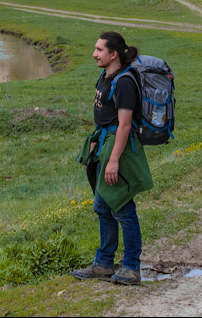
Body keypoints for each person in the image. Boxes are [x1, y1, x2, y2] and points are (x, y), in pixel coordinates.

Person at [72, 31, 153, 285]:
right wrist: (94, 148)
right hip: (104, 144)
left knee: (122, 207)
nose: (94, 53)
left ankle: (131, 267)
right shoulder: (106, 76)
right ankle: (104, 264)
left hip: (118, 146)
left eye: (99, 49)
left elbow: (125, 125)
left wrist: (114, 160)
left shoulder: (125, 82)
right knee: (102, 205)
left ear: (113, 54)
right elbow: (105, 117)